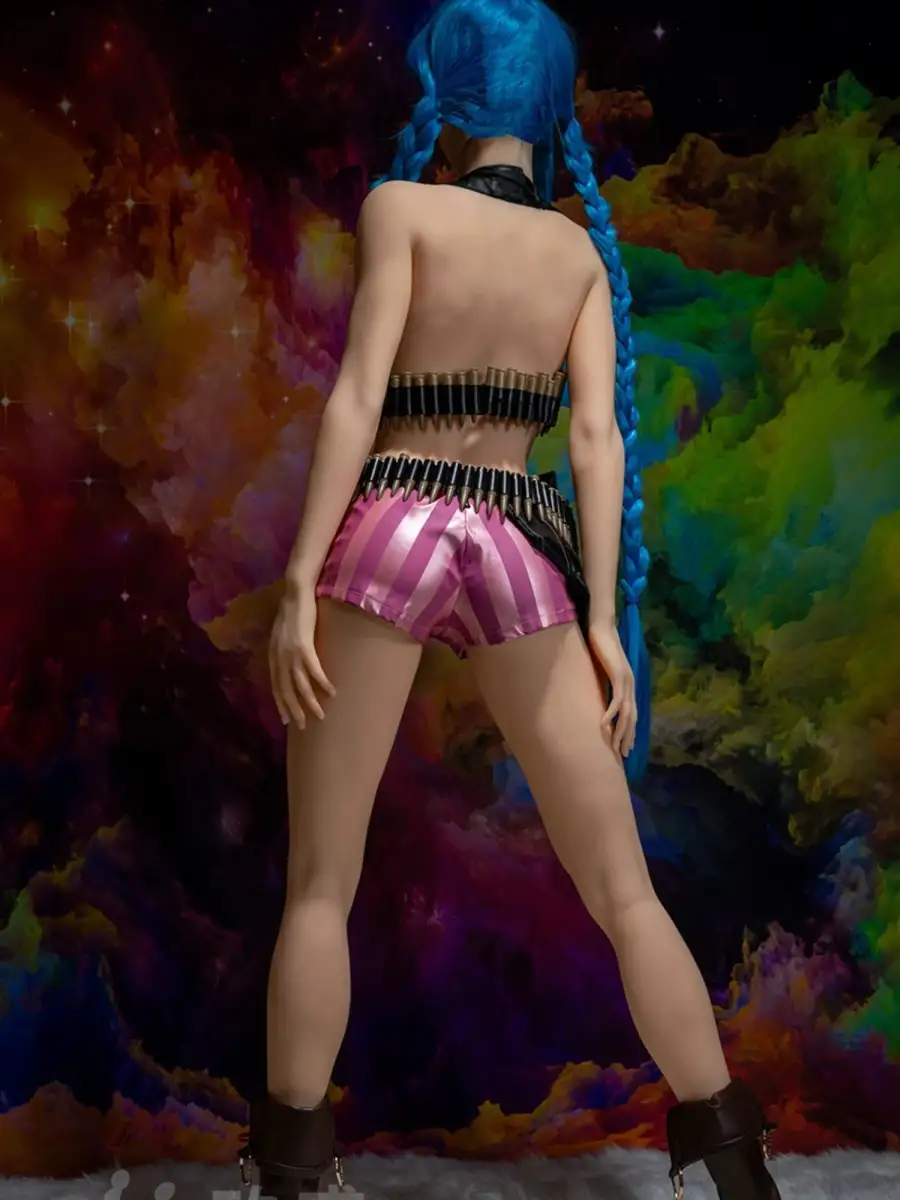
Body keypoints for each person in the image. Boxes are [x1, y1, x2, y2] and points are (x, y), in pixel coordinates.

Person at [245, 2, 782, 1198]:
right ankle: (739, 1164)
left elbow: (357, 398)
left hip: (391, 524)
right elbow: (595, 442)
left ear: (449, 100)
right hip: (519, 544)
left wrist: (297, 583)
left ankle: (287, 1176)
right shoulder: (578, 254)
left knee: (322, 880)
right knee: (624, 889)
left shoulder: (402, 210)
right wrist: (600, 624)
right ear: (549, 109)